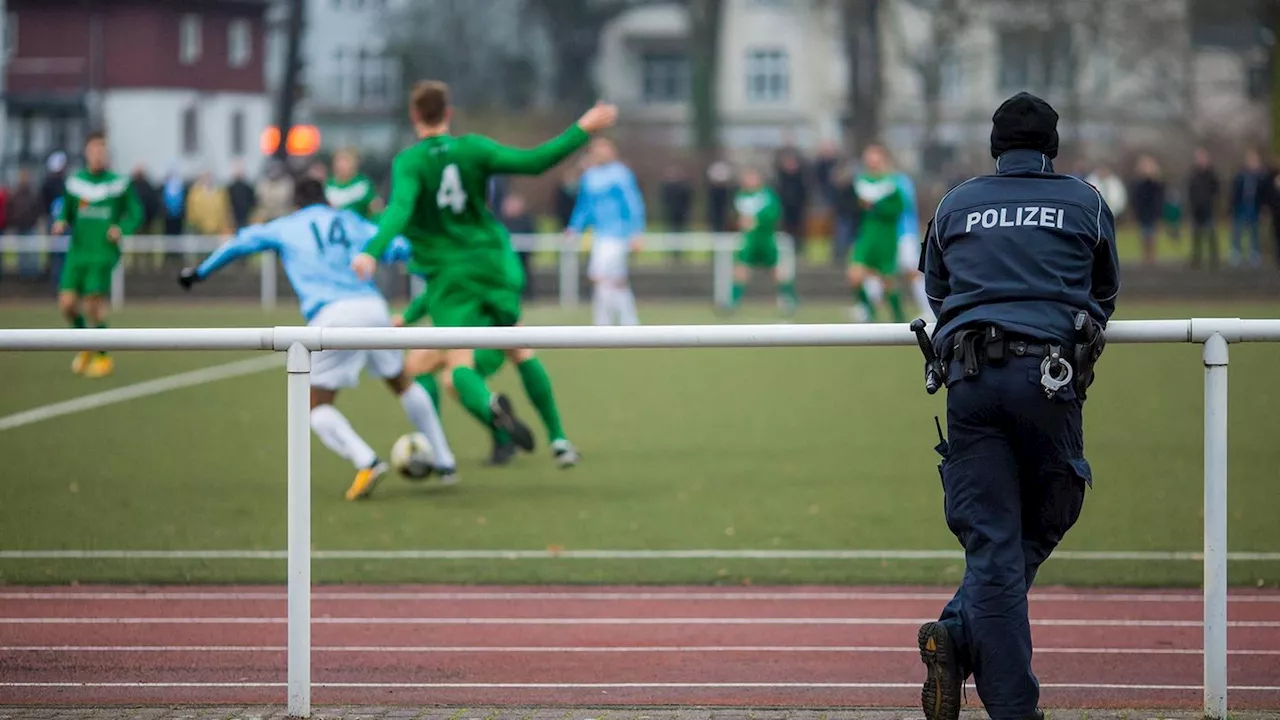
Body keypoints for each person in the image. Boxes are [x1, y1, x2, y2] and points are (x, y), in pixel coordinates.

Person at [918, 92, 1120, 720]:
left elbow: (937, 288)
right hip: (1050, 380)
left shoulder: (956, 202)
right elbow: (1104, 289)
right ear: (1051, 149)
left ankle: (958, 630)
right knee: (1050, 512)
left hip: (970, 383)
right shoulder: (1084, 201)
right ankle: (1008, 705)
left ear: (995, 148)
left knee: (993, 545)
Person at [350, 80, 613, 468]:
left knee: (452, 365)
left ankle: (466, 433)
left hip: (454, 279)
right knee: (517, 344)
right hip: (497, 266)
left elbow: (399, 209)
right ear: (449, 113)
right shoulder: (473, 148)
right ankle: (558, 440)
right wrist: (583, 128)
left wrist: (372, 253)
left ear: (414, 116)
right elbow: (536, 162)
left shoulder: (410, 161)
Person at [178, 178, 458, 500]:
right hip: (373, 307)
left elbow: (240, 243)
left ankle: (366, 460)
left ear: (296, 203)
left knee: (314, 406)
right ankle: (444, 459)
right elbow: (398, 247)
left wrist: (199, 272)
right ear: (327, 200)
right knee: (401, 382)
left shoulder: (287, 225)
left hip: (335, 317)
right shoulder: (350, 220)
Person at [51, 132, 143, 379]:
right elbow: (66, 212)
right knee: (67, 304)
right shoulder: (75, 182)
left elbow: (135, 213)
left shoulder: (119, 183)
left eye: (102, 152)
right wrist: (60, 222)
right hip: (77, 252)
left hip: (102, 252)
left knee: (93, 303)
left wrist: (121, 228)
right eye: (94, 151)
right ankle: (86, 343)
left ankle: (103, 356)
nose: (98, 156)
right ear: (86, 153)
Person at [568, 137, 646, 326]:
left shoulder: (621, 174)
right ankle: (624, 321)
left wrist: (637, 232)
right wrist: (574, 227)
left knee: (599, 275)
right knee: (616, 280)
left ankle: (606, 323)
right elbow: (584, 206)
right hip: (599, 234)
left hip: (618, 234)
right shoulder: (590, 176)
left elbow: (633, 204)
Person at [724, 167, 796, 316]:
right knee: (740, 269)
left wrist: (757, 221)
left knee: (777, 271)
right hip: (749, 240)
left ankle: (790, 298)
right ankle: (733, 301)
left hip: (765, 239)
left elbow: (774, 214)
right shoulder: (741, 195)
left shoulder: (767, 195)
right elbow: (737, 215)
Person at [848, 144, 906, 323]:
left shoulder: (892, 183)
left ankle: (899, 318)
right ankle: (868, 311)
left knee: (887, 280)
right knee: (855, 274)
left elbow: (899, 208)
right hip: (867, 235)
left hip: (886, 236)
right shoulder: (862, 181)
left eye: (875, 158)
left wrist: (878, 206)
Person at [1230, 149, 1266, 267]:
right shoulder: (1241, 174)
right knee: (1238, 230)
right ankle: (1236, 252)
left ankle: (1254, 253)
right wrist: (1232, 206)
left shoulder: (1261, 176)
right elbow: (1235, 191)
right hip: (1241, 206)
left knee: (1254, 231)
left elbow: (1264, 193)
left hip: (1254, 206)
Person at [326, 149, 383, 220]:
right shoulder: (328, 185)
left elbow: (376, 208)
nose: (342, 165)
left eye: (346, 161)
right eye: (339, 161)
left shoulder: (363, 184)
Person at [1187, 148, 1220, 269]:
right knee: (1197, 236)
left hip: (1208, 208)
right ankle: (1197, 258)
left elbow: (1216, 190)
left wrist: (1211, 202)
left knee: (1211, 234)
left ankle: (1214, 258)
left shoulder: (1211, 174)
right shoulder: (1193, 174)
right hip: (1196, 210)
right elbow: (1190, 191)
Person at [1130, 155, 1164, 265]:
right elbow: (1135, 198)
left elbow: (1160, 196)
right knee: (1144, 234)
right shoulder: (1138, 183)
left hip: (1152, 211)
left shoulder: (1156, 183)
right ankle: (1145, 256)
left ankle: (1152, 256)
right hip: (1142, 211)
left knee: (1152, 234)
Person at [227, 160, 258, 231]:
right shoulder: (230, 188)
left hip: (247, 218)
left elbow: (253, 202)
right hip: (234, 219)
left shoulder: (248, 188)